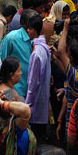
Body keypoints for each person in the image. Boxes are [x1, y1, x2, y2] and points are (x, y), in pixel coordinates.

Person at [0, 78, 36, 155]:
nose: (20, 102)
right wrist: (1, 102)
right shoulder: (20, 133)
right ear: (12, 111)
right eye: (17, 101)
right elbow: (25, 109)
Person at [53, 14, 78, 143]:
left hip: (74, 129)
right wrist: (56, 59)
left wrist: (65, 27)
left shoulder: (75, 76)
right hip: (71, 123)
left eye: (68, 54)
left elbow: (61, 50)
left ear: (71, 58)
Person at [0, 9, 38, 98]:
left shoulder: (36, 39)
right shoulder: (11, 38)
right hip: (15, 90)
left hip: (30, 90)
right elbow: (1, 61)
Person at [24, 14, 50, 142]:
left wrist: (27, 107)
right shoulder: (44, 48)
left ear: (36, 30)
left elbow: (33, 84)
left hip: (35, 106)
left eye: (30, 28)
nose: (28, 31)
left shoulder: (37, 53)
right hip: (41, 102)